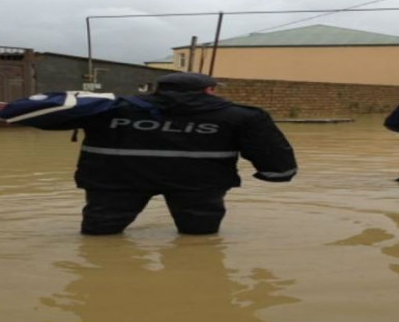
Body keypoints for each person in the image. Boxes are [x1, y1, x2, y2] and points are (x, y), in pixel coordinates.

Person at [0, 72, 297, 235]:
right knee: (199, 239)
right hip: (198, 186)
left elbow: (52, 122)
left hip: (114, 183)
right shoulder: (240, 115)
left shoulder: (111, 108)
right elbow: (270, 151)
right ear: (208, 91)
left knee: (100, 237)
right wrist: (277, 174)